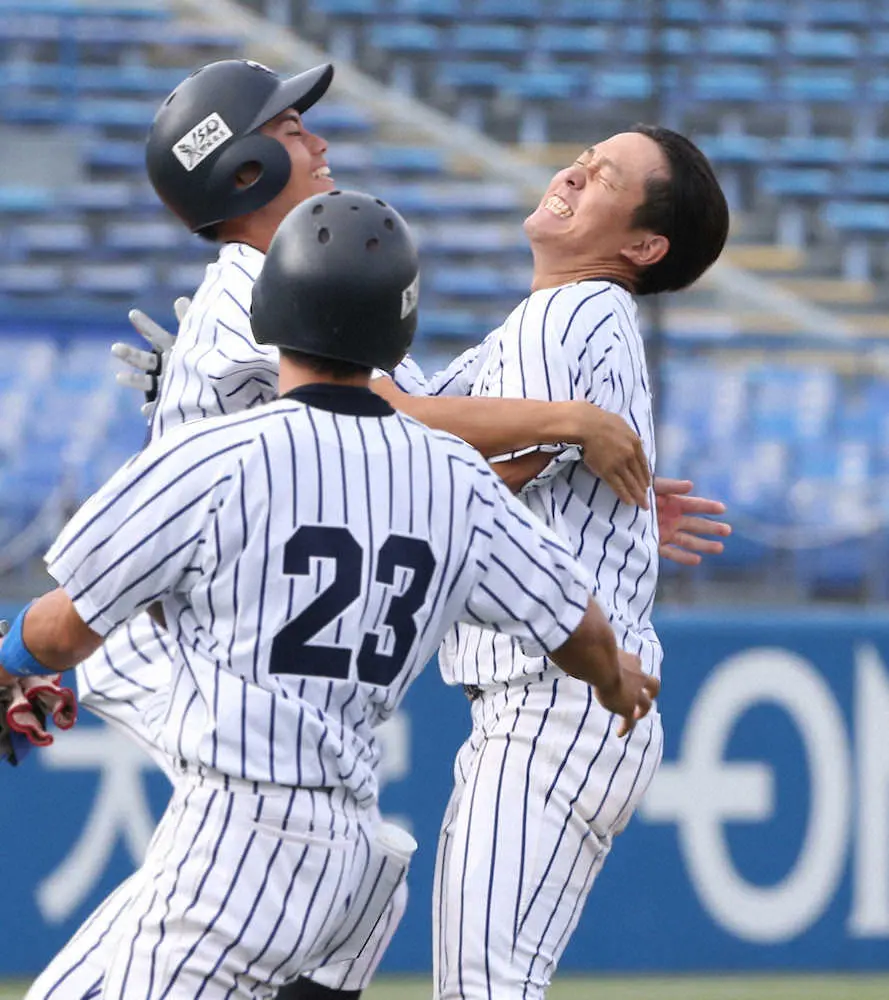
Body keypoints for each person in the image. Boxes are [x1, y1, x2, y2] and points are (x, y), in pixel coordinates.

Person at [62, 58, 659, 1000]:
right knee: (288, 849)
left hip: (217, 642)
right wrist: (573, 423)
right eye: (292, 129)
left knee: (353, 866)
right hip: (184, 653)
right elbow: (399, 417)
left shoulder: (283, 287)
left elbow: (409, 423)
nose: (318, 139)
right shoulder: (262, 292)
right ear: (245, 168)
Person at [430, 126, 731, 999]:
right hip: (563, 705)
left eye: (602, 177)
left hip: (552, 701)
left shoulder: (564, 310)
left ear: (641, 245)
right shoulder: (562, 320)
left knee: (481, 989)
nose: (570, 172)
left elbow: (480, 475)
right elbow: (404, 417)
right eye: (583, 158)